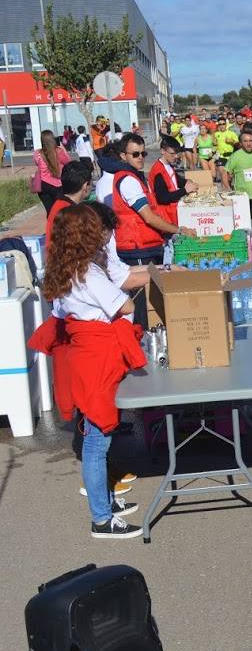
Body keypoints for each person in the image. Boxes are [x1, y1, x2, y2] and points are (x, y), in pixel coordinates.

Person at [32, 203, 149, 538]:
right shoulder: (89, 273)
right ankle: (101, 517)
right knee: (98, 439)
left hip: (83, 356)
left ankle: (107, 502)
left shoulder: (64, 268)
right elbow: (124, 305)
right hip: (97, 358)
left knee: (94, 434)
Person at [98, 134, 193, 329]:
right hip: (137, 247)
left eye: (143, 153)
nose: (140, 157)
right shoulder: (128, 181)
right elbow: (148, 217)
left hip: (146, 243)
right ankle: (143, 343)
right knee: (142, 304)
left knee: (154, 299)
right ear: (123, 156)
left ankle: (153, 335)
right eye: (135, 154)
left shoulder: (134, 177)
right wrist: (177, 230)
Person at [222, 130, 252, 247]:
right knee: (244, 223)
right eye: (245, 141)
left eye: (251, 141)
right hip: (241, 196)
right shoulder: (236, 156)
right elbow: (225, 172)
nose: (248, 144)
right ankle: (246, 246)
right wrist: (228, 188)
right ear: (241, 143)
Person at [149, 136, 200, 228]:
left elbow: (177, 181)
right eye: (172, 154)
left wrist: (187, 182)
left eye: (177, 153)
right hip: (166, 217)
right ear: (162, 151)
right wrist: (185, 190)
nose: (176, 156)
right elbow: (162, 198)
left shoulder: (168, 165)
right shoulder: (158, 171)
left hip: (174, 213)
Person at [34, 129, 72, 213]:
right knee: (62, 210)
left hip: (43, 185)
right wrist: (63, 148)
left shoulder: (37, 153)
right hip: (58, 184)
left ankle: (51, 225)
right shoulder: (59, 151)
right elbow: (68, 162)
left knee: (50, 211)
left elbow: (37, 163)